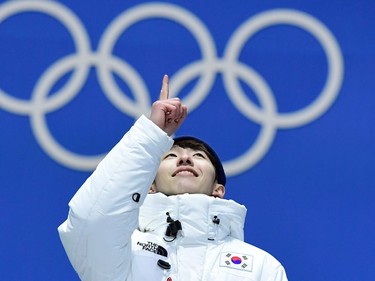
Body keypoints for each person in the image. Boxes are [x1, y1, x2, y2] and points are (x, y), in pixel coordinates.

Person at [58, 75, 288, 281]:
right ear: (150, 186)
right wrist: (150, 135)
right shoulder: (125, 251)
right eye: (170, 156)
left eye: (198, 156)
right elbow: (91, 222)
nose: (185, 159)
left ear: (219, 188)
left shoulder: (260, 266)